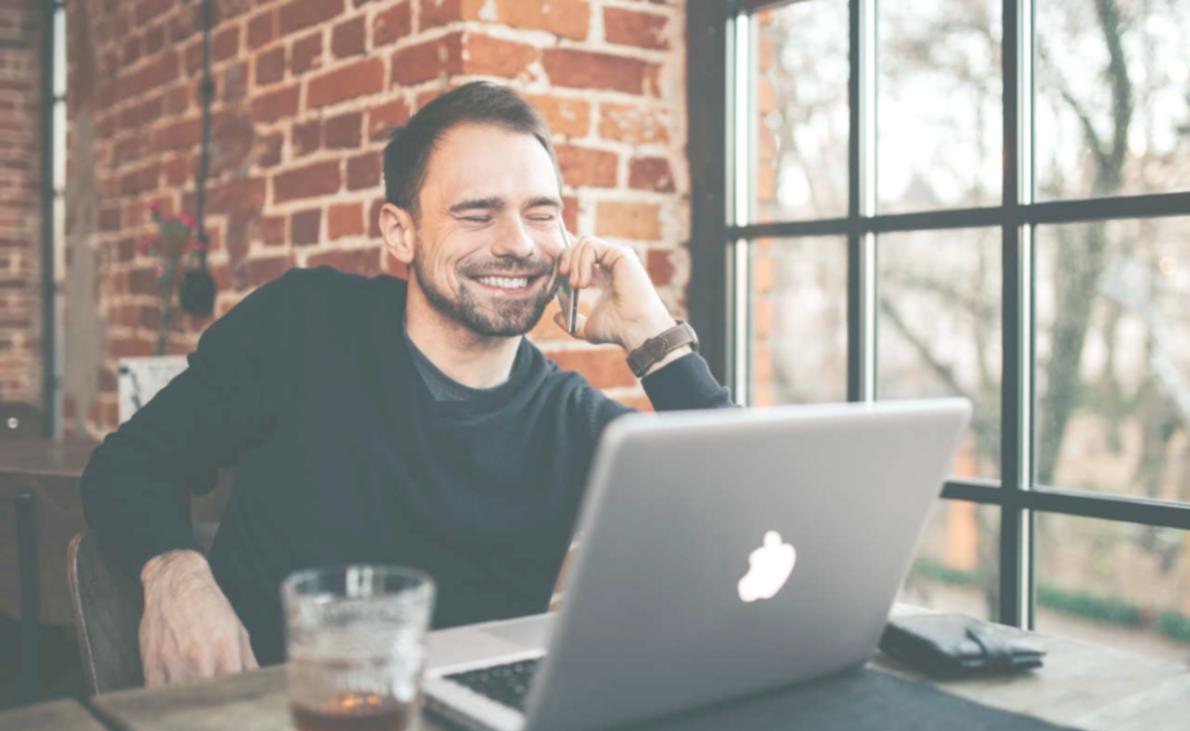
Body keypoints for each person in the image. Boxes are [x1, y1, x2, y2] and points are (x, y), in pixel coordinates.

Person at [81, 81, 732, 687]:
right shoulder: (303, 323)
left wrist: (654, 339)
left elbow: (744, 520)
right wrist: (175, 570)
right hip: (268, 718)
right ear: (400, 230)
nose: (519, 244)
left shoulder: (576, 422)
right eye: (478, 214)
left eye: (541, 213)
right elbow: (127, 464)